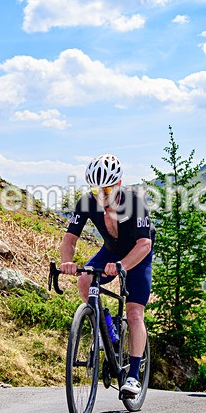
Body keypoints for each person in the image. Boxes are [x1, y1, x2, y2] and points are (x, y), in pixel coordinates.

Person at [59, 154, 155, 396]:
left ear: (119, 185)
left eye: (107, 189)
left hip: (136, 255)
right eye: (95, 189)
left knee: (134, 313)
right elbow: (70, 238)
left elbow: (145, 243)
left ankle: (133, 376)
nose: (101, 194)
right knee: (84, 280)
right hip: (110, 251)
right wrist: (66, 262)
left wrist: (122, 264)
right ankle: (108, 330)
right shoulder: (87, 202)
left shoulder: (134, 202)